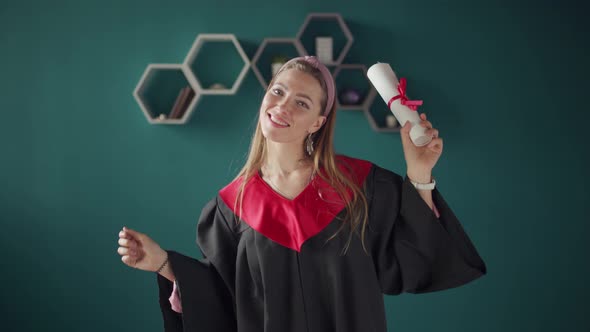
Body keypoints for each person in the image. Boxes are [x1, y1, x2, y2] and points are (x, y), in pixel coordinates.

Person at [117, 56, 486, 332]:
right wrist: (163, 263)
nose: (282, 106)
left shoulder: (359, 185)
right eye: (278, 91)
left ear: (317, 124)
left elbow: (414, 255)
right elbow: (222, 299)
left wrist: (419, 173)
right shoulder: (230, 208)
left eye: (302, 102)